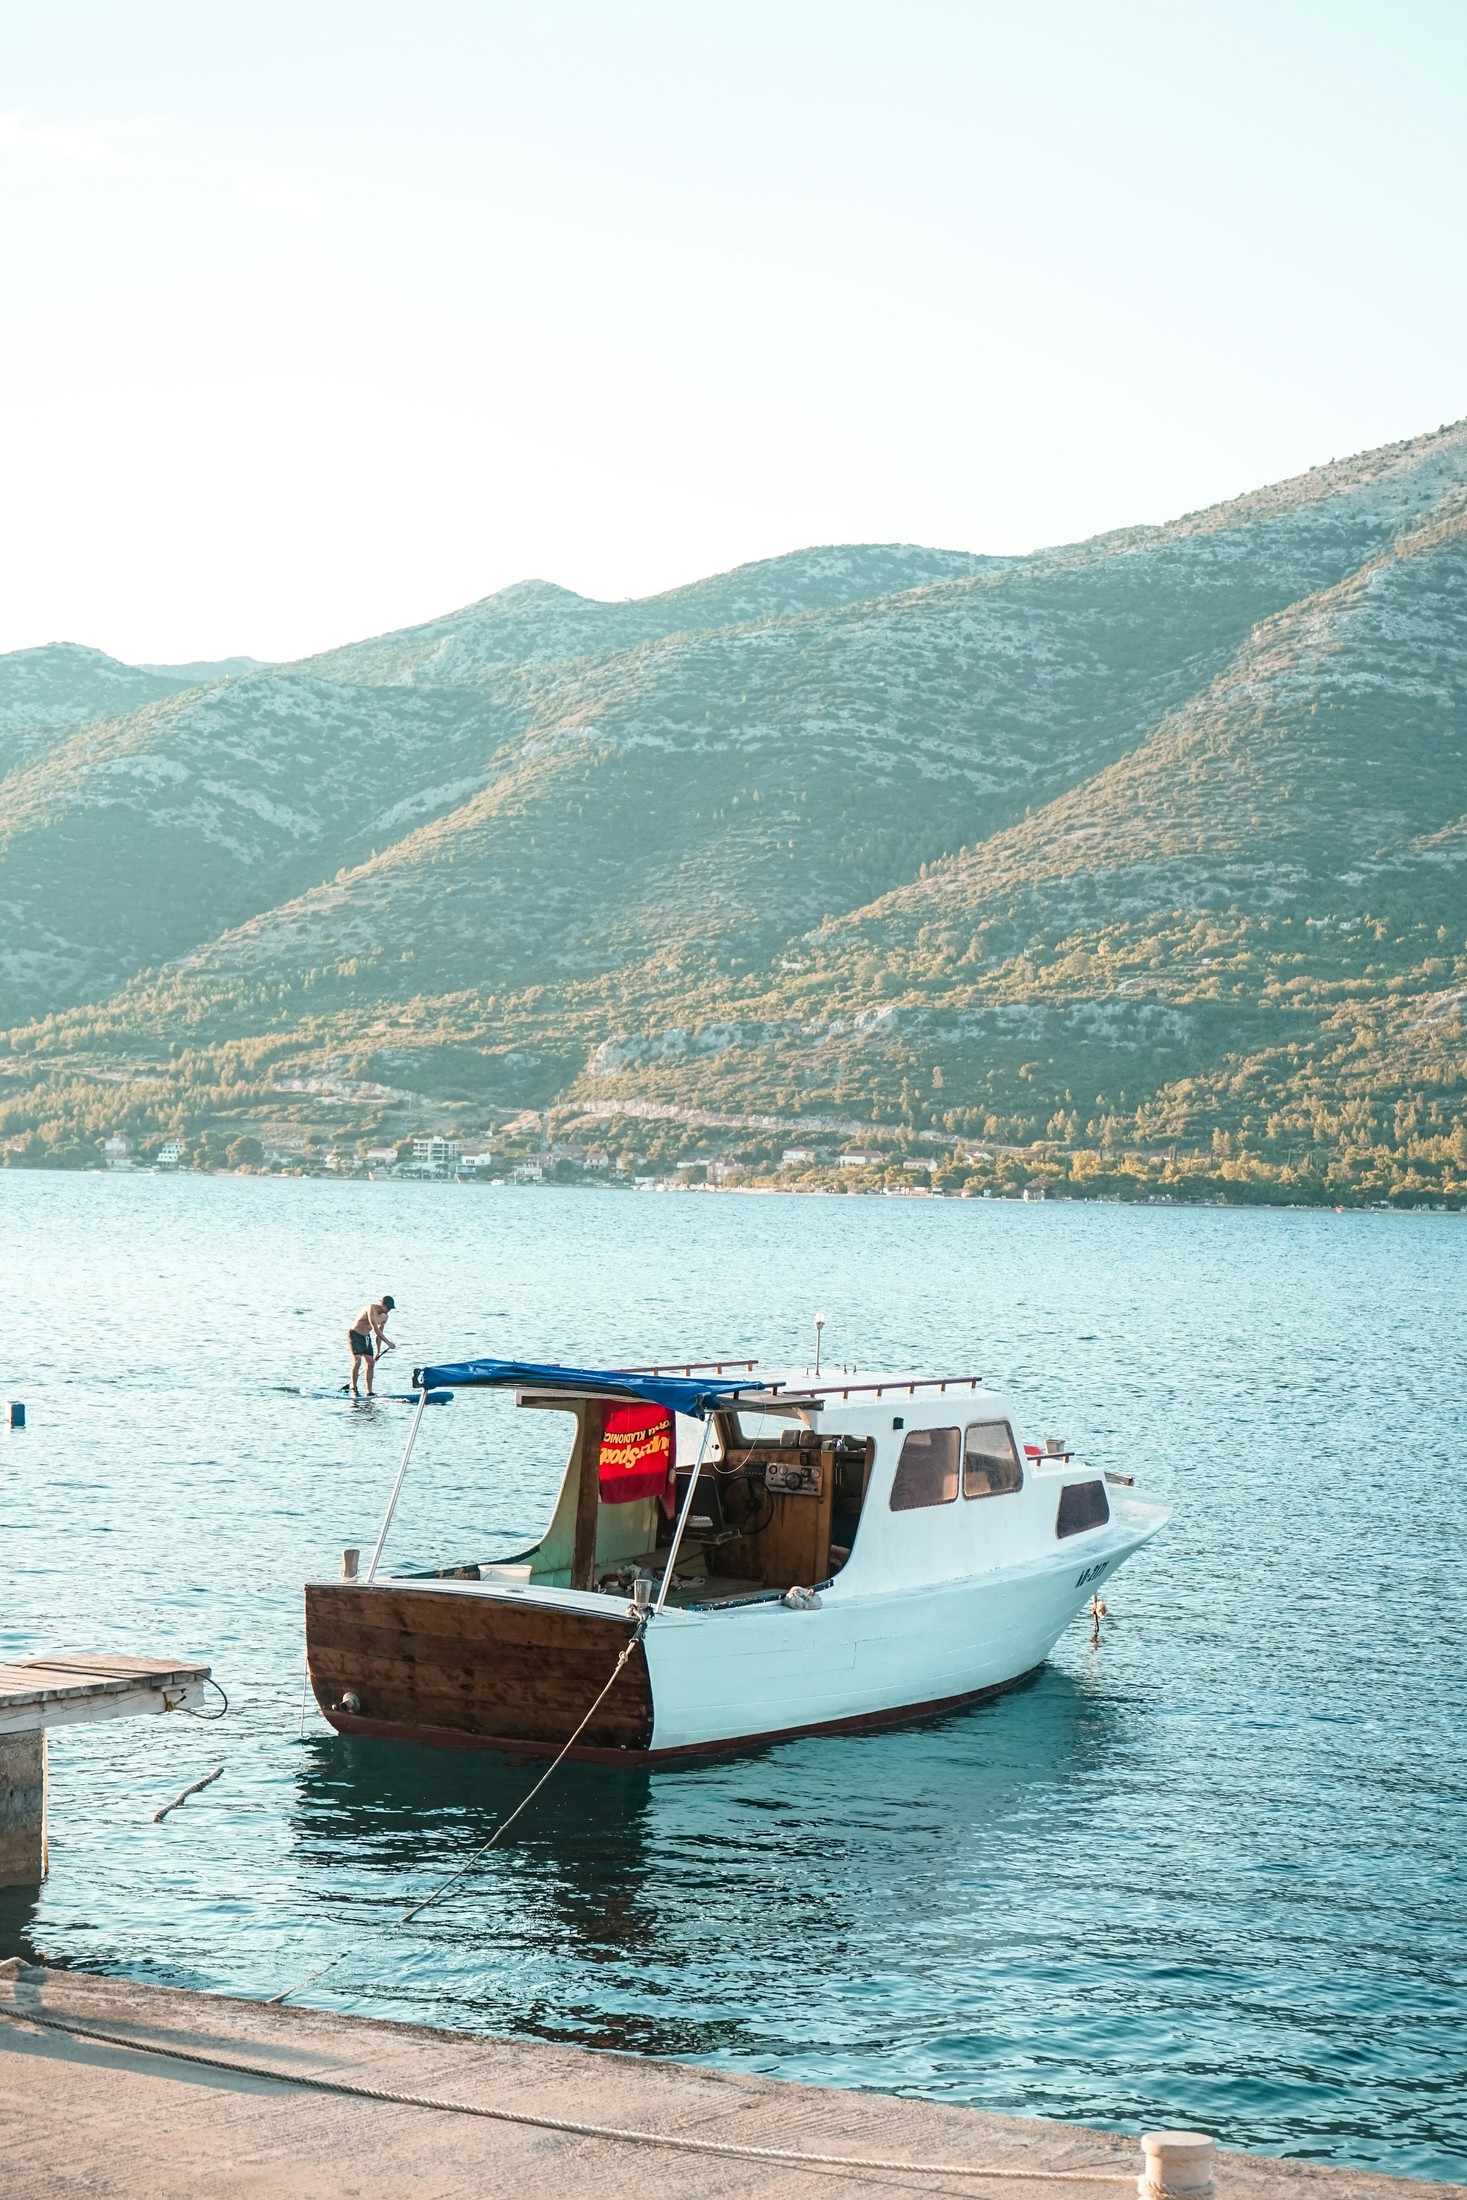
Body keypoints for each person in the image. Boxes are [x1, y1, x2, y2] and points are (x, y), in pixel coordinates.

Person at [348, 1295, 396, 1397]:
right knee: (358, 1361)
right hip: (355, 1335)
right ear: (382, 1304)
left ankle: (369, 1391)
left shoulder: (385, 1317)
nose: (388, 1311)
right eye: (388, 1308)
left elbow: (378, 1335)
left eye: (390, 1309)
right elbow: (376, 1330)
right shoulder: (371, 1309)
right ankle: (353, 1388)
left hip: (366, 1337)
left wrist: (378, 1351)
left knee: (371, 1363)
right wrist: (388, 1343)